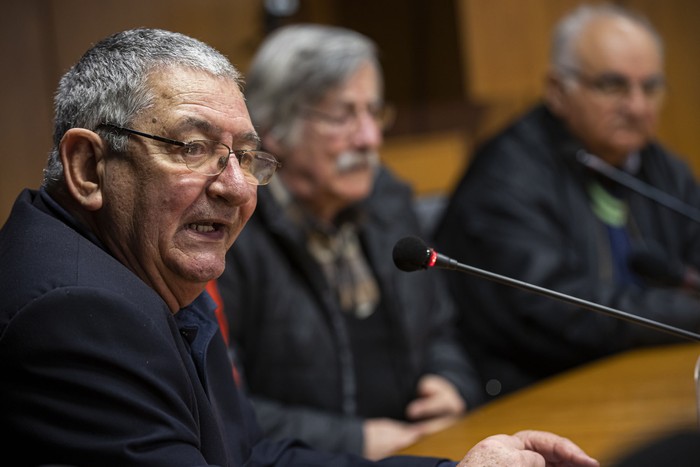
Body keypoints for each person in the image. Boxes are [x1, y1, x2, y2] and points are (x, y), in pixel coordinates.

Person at [0, 27, 600, 467]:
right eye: (190, 147)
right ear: (88, 166)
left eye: (244, 156)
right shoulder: (76, 313)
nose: (237, 187)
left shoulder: (158, 267)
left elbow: (252, 453)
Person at [215, 24, 483, 460]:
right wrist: (354, 441)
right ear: (277, 128)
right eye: (343, 116)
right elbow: (223, 406)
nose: (369, 139)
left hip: (423, 449)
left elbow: (441, 327)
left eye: (373, 113)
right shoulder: (234, 233)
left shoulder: (389, 201)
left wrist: (451, 382)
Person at [433, 2, 700, 402]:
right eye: (613, 86)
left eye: (651, 87)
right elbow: (559, 310)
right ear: (557, 91)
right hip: (531, 390)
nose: (638, 107)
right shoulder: (505, 176)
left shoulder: (660, 166)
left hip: (641, 376)